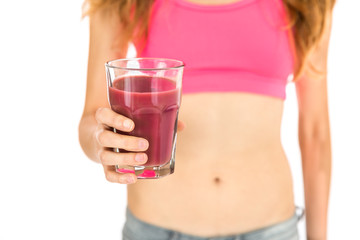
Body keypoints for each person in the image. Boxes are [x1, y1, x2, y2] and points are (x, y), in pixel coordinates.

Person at [78, 0, 335, 239]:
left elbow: (316, 132)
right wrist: (101, 141)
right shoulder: (120, 3)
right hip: (155, 229)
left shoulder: (307, 3)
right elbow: (92, 117)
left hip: (271, 230)